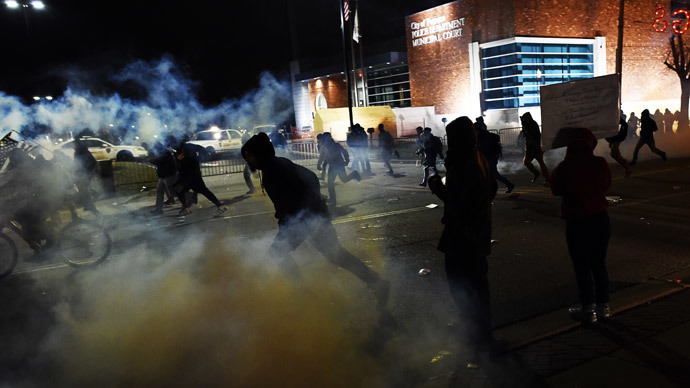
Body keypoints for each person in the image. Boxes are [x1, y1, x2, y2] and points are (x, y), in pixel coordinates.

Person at [241, 132, 390, 308]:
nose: (248, 161)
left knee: (278, 253)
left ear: (261, 154)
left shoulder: (274, 171)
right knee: (337, 256)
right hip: (312, 217)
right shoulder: (277, 165)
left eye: (250, 156)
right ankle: (376, 282)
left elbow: (290, 204)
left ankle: (303, 293)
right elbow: (309, 178)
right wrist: (315, 201)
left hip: (307, 221)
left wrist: (308, 208)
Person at [428, 117, 498, 358]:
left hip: (462, 233)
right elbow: (491, 190)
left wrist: (434, 182)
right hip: (478, 232)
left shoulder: (461, 162)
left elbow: (455, 199)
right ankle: (482, 333)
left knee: (462, 284)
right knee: (478, 285)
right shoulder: (479, 158)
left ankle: (475, 337)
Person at [550, 128, 612, 324]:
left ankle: (588, 309)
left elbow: (556, 189)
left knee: (582, 266)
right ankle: (604, 308)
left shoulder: (564, 167)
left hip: (578, 222)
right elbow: (605, 185)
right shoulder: (600, 163)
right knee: (598, 264)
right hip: (601, 219)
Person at [174, 142, 227, 217]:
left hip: (193, 175)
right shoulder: (179, 151)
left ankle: (186, 208)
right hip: (188, 176)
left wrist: (199, 159)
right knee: (203, 191)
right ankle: (220, 206)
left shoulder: (188, 147)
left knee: (178, 189)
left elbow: (201, 149)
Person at [317, 134, 361, 205]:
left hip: (337, 165)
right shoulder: (332, 145)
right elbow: (344, 152)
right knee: (342, 179)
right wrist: (346, 160)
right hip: (336, 165)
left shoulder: (328, 146)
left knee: (332, 182)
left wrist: (347, 160)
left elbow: (344, 152)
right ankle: (354, 174)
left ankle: (332, 199)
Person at [475, 117, 515, 193]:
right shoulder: (482, 136)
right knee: (488, 174)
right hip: (489, 157)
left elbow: (484, 148)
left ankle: (508, 184)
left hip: (490, 157)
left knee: (493, 173)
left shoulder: (483, 137)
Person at [72, 138, 102, 217]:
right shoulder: (79, 152)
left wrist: (87, 172)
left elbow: (92, 162)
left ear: (78, 144)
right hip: (81, 175)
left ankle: (93, 208)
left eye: (74, 144)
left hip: (84, 175)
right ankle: (89, 204)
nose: (73, 146)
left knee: (84, 191)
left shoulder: (82, 152)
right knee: (83, 190)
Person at [520, 112, 550, 185]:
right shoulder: (532, 123)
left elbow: (530, 136)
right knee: (541, 162)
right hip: (535, 147)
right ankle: (547, 179)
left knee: (527, 162)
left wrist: (523, 124)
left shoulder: (530, 125)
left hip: (532, 147)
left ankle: (538, 174)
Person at [149, 142, 177, 214]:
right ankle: (159, 209)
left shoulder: (165, 152)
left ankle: (190, 197)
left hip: (168, 175)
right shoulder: (163, 152)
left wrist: (150, 160)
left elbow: (160, 161)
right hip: (163, 175)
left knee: (174, 192)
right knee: (159, 191)